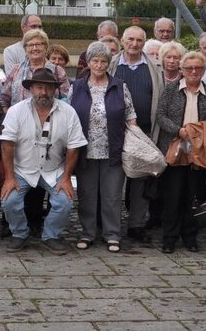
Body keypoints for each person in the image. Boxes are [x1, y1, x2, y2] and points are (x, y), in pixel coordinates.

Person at [0, 68, 87, 255]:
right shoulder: (16, 111)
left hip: (53, 170)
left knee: (65, 202)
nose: (43, 92)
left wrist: (66, 178)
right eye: (39, 87)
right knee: (9, 201)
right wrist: (9, 177)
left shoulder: (68, 112)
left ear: (55, 89)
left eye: (48, 88)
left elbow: (74, 147)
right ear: (31, 89)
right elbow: (7, 145)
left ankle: (51, 235)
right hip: (23, 169)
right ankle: (20, 233)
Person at [70, 41, 137, 253]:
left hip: (113, 150)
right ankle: (87, 233)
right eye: (95, 61)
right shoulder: (77, 87)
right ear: (88, 62)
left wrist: (134, 141)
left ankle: (112, 234)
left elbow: (131, 117)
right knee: (87, 195)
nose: (99, 65)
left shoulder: (119, 86)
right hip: (85, 151)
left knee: (111, 195)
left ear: (108, 63)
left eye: (103, 61)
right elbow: (69, 117)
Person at [155, 51, 206, 253]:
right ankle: (169, 238)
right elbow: (161, 115)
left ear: (203, 70)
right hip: (174, 148)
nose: (194, 71)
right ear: (182, 70)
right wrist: (179, 130)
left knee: (193, 195)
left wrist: (200, 133)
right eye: (189, 68)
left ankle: (190, 236)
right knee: (172, 196)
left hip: (199, 152)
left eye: (198, 68)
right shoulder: (170, 90)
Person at [107, 26, 163, 244]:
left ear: (144, 42)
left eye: (139, 40)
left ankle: (136, 225)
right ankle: (111, 226)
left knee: (140, 182)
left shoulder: (154, 67)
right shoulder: (111, 64)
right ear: (122, 40)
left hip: (144, 133)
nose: (134, 44)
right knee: (114, 183)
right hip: (115, 134)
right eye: (130, 39)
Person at [1, 29, 70, 111]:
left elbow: (66, 98)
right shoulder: (16, 70)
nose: (34, 48)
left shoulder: (58, 71)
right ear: (25, 49)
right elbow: (4, 98)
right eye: (30, 45)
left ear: (46, 47)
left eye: (38, 44)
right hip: (19, 120)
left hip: (50, 119)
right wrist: (9, 116)